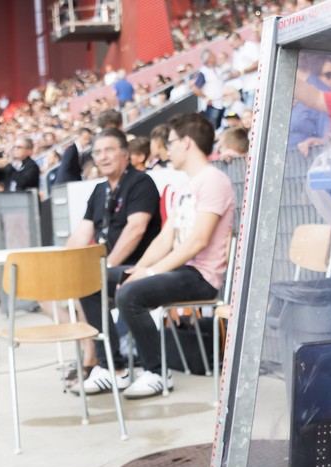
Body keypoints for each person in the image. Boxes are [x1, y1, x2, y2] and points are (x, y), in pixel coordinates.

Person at [111, 112, 236, 399]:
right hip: (181, 270)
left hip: (200, 276)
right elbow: (166, 237)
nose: (168, 149)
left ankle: (156, 372)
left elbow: (198, 241)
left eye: (172, 142)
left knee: (130, 296)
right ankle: (112, 366)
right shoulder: (186, 185)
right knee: (106, 280)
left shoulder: (214, 181)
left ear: (187, 143)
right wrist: (139, 269)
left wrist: (151, 273)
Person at [66, 128, 163, 393]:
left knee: (87, 282)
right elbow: (82, 233)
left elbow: (136, 229)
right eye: (97, 152)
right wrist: (61, 263)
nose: (103, 156)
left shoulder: (141, 182)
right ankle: (101, 360)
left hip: (136, 267)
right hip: (106, 268)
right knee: (61, 286)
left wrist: (103, 266)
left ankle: (105, 364)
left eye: (109, 150)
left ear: (125, 153)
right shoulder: (98, 190)